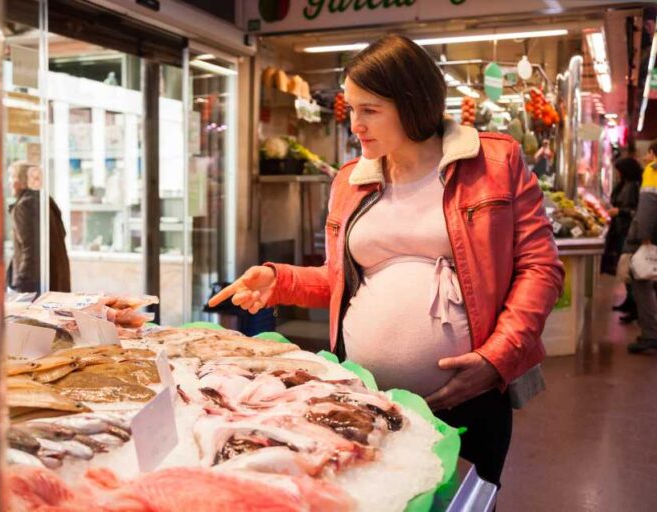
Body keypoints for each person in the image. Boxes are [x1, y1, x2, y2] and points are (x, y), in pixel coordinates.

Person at [209, 35, 564, 486]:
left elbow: (540, 268)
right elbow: (344, 281)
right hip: (364, 398)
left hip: (468, 397)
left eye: (370, 110)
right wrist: (280, 281)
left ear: (413, 103)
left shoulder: (493, 161)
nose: (356, 125)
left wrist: (497, 360)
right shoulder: (351, 181)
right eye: (351, 108)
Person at [8, 161, 71, 293]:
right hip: (55, 280)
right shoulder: (46, 201)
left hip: (35, 287)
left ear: (22, 181)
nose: (10, 182)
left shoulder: (24, 206)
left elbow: (30, 249)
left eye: (13, 177)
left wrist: (21, 285)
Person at [624, 141, 657, 353]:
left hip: (651, 239)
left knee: (642, 282)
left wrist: (643, 237)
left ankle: (651, 335)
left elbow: (647, 206)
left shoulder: (653, 171)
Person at [601, 158, 642, 322]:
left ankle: (634, 306)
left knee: (628, 267)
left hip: (627, 231)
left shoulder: (633, 186)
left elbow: (634, 211)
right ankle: (629, 301)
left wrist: (619, 211)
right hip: (620, 230)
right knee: (624, 266)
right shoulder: (625, 184)